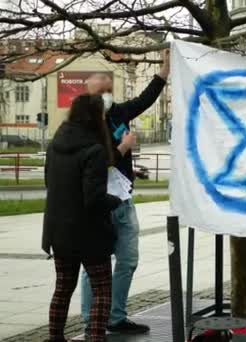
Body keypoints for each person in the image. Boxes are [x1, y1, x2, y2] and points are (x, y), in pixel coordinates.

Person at [80, 50, 170, 335]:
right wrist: (122, 148)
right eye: (101, 91)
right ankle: (91, 319)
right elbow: (90, 163)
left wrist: (165, 69)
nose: (107, 95)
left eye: (109, 90)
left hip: (123, 198)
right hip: (97, 202)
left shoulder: (118, 112)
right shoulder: (82, 123)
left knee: (128, 259)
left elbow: (146, 98)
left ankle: (115, 317)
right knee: (95, 263)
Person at [43, 94, 124, 342]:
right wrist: (116, 200)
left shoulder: (55, 144)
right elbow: (94, 199)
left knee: (63, 288)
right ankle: (95, 338)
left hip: (60, 232)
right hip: (90, 234)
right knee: (101, 289)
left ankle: (55, 337)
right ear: (93, 117)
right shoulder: (94, 149)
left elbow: (50, 183)